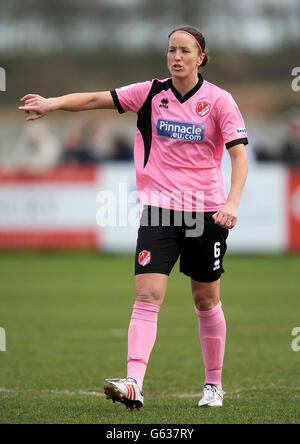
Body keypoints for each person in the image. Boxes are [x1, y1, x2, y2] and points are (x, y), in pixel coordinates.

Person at [19, 25, 248, 410]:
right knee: (147, 295)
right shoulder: (150, 93)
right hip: (158, 211)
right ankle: (133, 383)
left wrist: (232, 203)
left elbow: (239, 156)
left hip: (205, 213)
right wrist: (52, 104)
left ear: (201, 57)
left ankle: (213, 386)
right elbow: (97, 99)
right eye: (171, 50)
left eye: (185, 51)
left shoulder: (220, 101)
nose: (176, 57)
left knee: (206, 300)